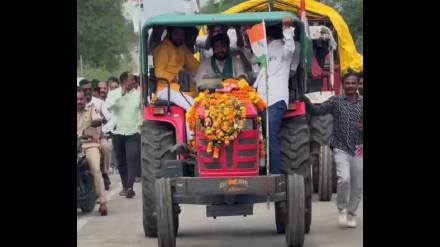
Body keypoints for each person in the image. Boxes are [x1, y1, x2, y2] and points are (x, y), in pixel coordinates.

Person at [304, 71, 363, 228]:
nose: (350, 86)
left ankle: (351, 213)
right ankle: (342, 208)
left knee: (358, 185)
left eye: (353, 83)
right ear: (343, 85)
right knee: (344, 179)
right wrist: (307, 102)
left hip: (359, 149)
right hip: (340, 147)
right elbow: (318, 111)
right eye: (347, 83)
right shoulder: (336, 102)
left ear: (358, 85)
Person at [255, 17, 296, 174]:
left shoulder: (283, 48)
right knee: (259, 134)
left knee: (271, 133)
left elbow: (291, 48)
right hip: (261, 101)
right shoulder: (263, 52)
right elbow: (256, 71)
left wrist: (287, 28)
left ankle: (275, 172)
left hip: (277, 100)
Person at [105, 72, 142, 198]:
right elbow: (108, 107)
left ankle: (130, 186)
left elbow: (142, 110)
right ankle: (126, 186)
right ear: (124, 81)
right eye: (131, 80)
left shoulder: (138, 95)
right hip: (118, 132)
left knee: (132, 159)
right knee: (121, 162)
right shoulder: (113, 93)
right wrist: (121, 94)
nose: (133, 82)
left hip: (133, 132)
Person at [153, 26, 200, 111]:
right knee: (192, 106)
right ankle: (192, 124)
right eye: (176, 34)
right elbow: (159, 72)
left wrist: (207, 71)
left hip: (181, 86)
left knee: (202, 100)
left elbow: (194, 64)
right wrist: (176, 77)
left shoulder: (182, 47)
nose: (179, 37)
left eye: (182, 34)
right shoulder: (163, 49)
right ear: (170, 33)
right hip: (165, 88)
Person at [77, 89, 108, 216]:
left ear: (85, 99)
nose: (79, 101)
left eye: (81, 99)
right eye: (77, 99)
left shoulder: (91, 110)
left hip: (89, 144)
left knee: (95, 168)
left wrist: (96, 122)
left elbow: (98, 119)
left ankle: (103, 202)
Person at [80, 79, 112, 190]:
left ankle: (104, 172)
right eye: (85, 90)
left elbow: (111, 118)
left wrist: (104, 130)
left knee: (106, 147)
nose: (88, 92)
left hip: (97, 137)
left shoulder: (98, 103)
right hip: (80, 138)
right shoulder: (78, 102)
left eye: (90, 89)